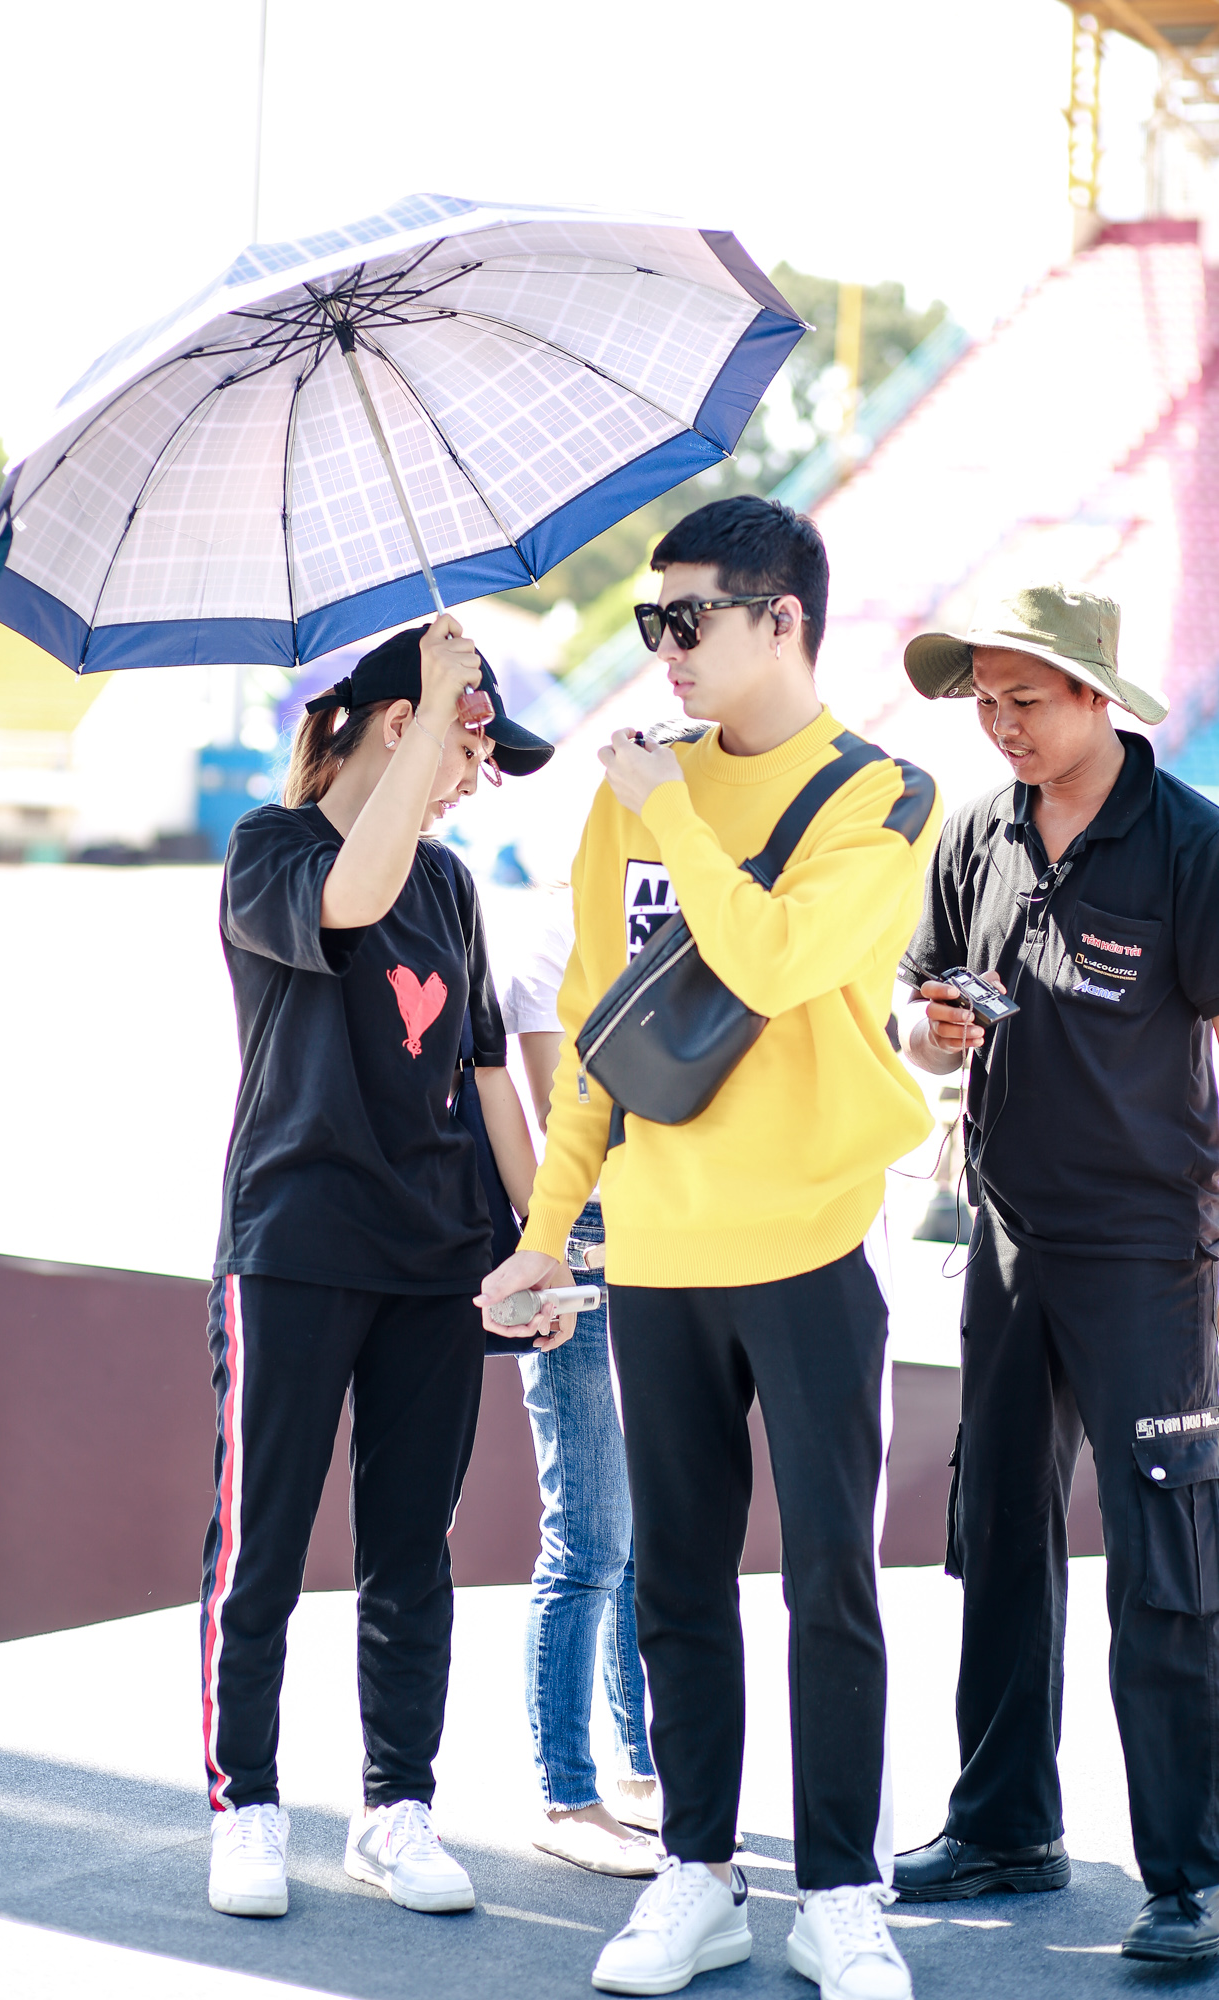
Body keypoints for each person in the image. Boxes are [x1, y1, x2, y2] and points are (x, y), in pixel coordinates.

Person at [478, 494, 942, 2000]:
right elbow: (598, 1039)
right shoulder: (629, 796)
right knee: (675, 1579)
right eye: (650, 621)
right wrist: (546, 1232)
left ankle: (841, 1891)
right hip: (658, 1249)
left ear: (781, 620)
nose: (663, 647)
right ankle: (696, 1873)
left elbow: (778, 957)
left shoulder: (883, 794)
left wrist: (672, 809)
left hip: (813, 1240)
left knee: (830, 1581)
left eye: (688, 618)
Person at [201, 615, 555, 1923]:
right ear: (400, 727)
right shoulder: (271, 849)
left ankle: (396, 1807)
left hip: (435, 1259)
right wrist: (438, 694)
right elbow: (348, 899)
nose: (474, 780)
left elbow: (484, 1076)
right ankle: (245, 1802)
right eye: (466, 748)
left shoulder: (451, 887)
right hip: (293, 1247)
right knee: (264, 1545)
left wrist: (540, 1238)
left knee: (412, 1550)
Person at [892, 585, 1219, 1964]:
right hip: (1006, 1237)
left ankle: (1191, 1875)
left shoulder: (1190, 839)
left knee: (1166, 1558)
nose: (1000, 724)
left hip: (1148, 1250)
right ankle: (1002, 1825)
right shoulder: (976, 828)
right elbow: (917, 1015)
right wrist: (935, 1031)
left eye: (1023, 698)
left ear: (1097, 695)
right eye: (983, 701)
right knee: (1000, 1533)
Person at [502, 902, 660, 1877]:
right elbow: (563, 1124)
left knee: (647, 1531)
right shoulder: (556, 930)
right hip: (584, 1237)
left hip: (680, 1232)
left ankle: (643, 1770)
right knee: (591, 1535)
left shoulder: (701, 897)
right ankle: (566, 1791)